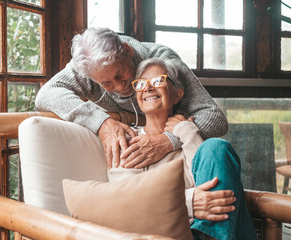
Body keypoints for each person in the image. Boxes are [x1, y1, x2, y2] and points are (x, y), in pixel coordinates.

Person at [35, 27, 228, 170]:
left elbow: (215, 118)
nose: (119, 87)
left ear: (128, 50)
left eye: (120, 74)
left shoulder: (162, 62)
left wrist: (167, 140)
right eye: (106, 84)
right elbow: (47, 94)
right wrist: (103, 123)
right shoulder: (88, 67)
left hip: (181, 155)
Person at [108, 58, 256, 240]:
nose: (147, 88)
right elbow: (126, 200)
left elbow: (207, 184)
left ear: (177, 94)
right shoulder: (129, 142)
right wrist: (188, 200)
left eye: (157, 81)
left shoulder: (190, 135)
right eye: (141, 84)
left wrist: (187, 132)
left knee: (217, 147)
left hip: (201, 228)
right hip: (166, 233)